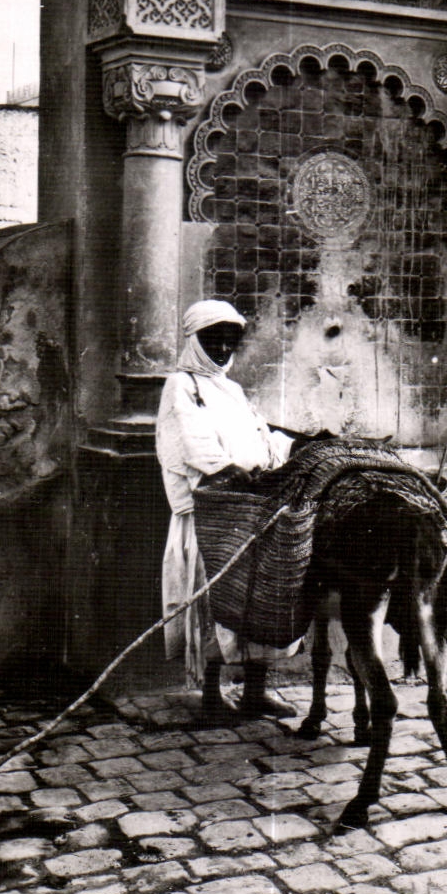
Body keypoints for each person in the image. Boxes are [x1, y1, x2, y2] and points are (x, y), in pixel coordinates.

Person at [156, 298, 300, 726]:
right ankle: (212, 696)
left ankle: (255, 692)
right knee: (215, 599)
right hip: (214, 511)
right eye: (212, 339)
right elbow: (191, 442)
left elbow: (261, 435)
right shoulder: (182, 385)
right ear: (194, 340)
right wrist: (232, 471)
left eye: (228, 340)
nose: (221, 349)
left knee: (257, 599)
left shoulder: (231, 390)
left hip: (250, 507)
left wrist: (292, 446)